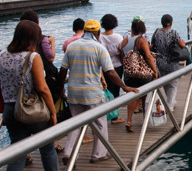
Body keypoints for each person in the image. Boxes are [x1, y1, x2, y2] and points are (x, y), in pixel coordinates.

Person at [59, 19, 138, 165]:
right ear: (97, 32)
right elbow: (111, 72)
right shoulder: (99, 47)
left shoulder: (71, 46)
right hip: (92, 94)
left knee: (75, 124)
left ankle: (68, 152)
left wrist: (60, 89)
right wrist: (124, 87)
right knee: (100, 123)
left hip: (74, 93)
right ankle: (98, 155)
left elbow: (63, 70)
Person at [0, 20, 59, 171]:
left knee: (17, 152)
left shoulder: (2, 55)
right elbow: (42, 88)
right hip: (32, 109)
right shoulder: (33, 57)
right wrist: (53, 113)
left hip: (10, 110)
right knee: (47, 148)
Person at [121, 19, 158, 132]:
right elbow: (147, 56)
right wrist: (155, 71)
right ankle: (145, 120)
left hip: (129, 73)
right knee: (144, 97)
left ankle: (129, 121)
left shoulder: (125, 40)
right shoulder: (142, 40)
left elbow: (122, 54)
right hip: (142, 73)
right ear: (143, 29)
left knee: (132, 96)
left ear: (132, 28)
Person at [151, 14, 186, 112]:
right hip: (172, 63)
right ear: (171, 23)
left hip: (160, 63)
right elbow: (182, 44)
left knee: (166, 84)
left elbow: (152, 45)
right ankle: (169, 107)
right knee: (172, 85)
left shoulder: (157, 32)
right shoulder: (173, 33)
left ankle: (171, 102)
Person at [98, 14, 125, 124]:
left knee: (105, 91)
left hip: (104, 67)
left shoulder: (99, 37)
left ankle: (104, 115)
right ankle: (114, 116)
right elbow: (121, 51)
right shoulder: (118, 37)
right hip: (117, 66)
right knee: (116, 91)